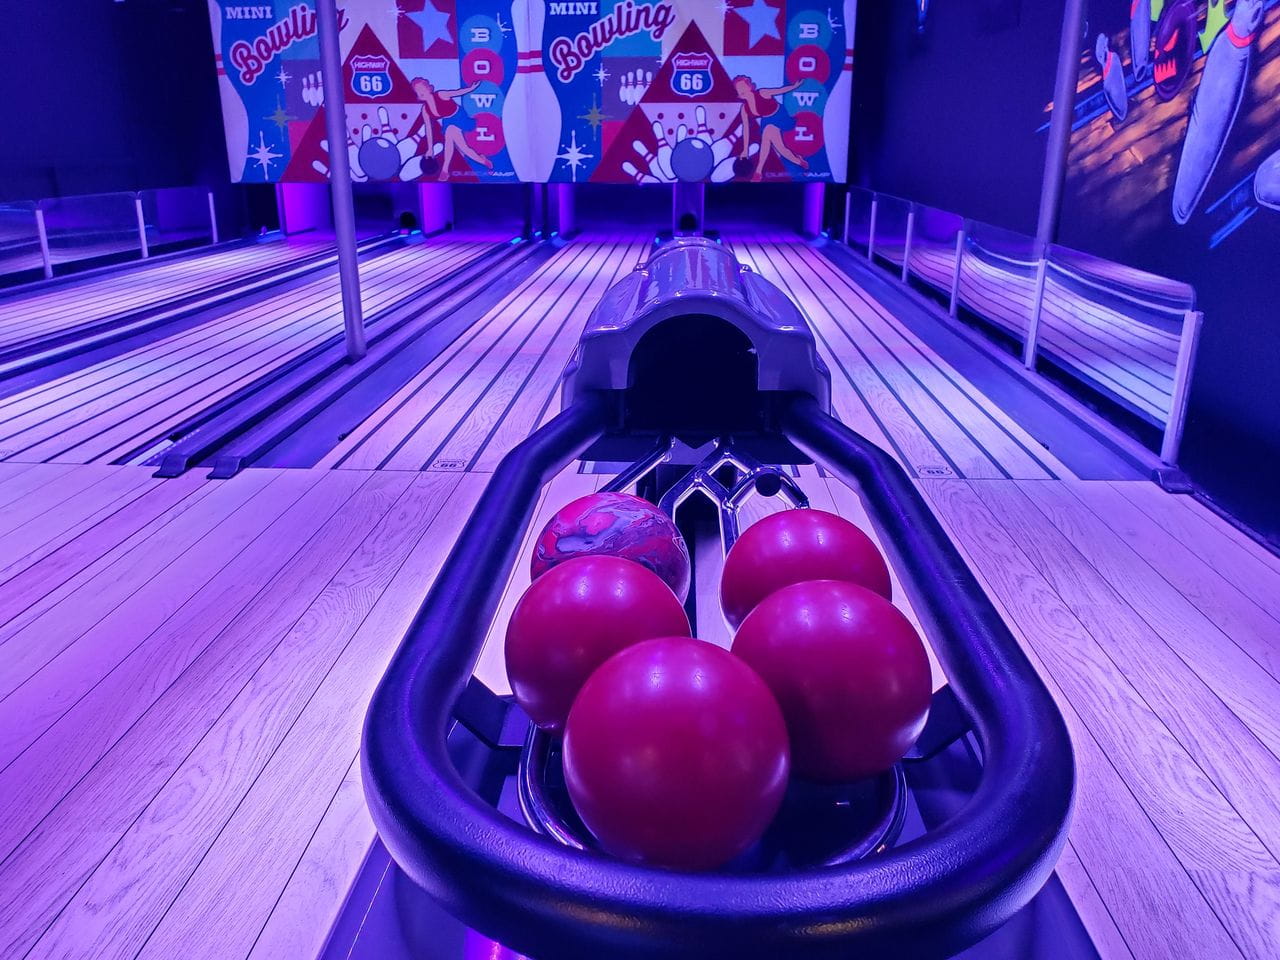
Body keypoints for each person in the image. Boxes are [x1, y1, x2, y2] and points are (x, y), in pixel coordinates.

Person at [410, 77, 493, 180]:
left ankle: (445, 170)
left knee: (453, 138)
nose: (420, 92)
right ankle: (482, 160)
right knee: (461, 146)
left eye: (421, 89)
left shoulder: (441, 94)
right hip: (448, 122)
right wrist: (430, 148)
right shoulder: (425, 110)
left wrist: (471, 89)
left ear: (428, 88)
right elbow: (428, 129)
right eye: (417, 91)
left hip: (459, 117)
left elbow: (457, 92)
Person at [733, 75, 807, 181]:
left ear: (749, 87)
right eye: (739, 89)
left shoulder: (762, 93)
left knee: (768, 134)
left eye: (743, 87)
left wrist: (794, 86)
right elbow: (745, 129)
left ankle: (758, 171)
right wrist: (745, 150)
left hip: (780, 116)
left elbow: (780, 90)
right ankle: (798, 161)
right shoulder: (744, 109)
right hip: (767, 121)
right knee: (780, 148)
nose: (741, 90)